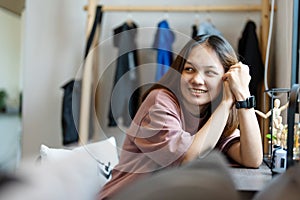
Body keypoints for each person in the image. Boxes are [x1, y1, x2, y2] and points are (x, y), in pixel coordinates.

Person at [98, 34, 263, 200]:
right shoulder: (159, 102)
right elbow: (188, 161)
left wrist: (242, 93)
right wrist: (227, 102)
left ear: (226, 79)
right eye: (189, 69)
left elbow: (252, 158)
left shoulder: (214, 115)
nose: (197, 80)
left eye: (210, 72)